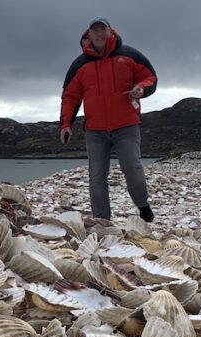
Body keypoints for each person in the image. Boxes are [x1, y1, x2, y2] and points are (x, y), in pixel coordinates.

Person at [59, 17, 158, 222]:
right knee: (97, 177)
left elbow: (151, 77)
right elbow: (70, 96)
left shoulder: (129, 55)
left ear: (110, 31)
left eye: (103, 29)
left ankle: (143, 205)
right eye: (95, 31)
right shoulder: (80, 64)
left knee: (132, 167)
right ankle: (102, 220)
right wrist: (66, 124)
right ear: (88, 34)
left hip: (127, 125)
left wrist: (141, 89)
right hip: (95, 130)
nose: (99, 34)